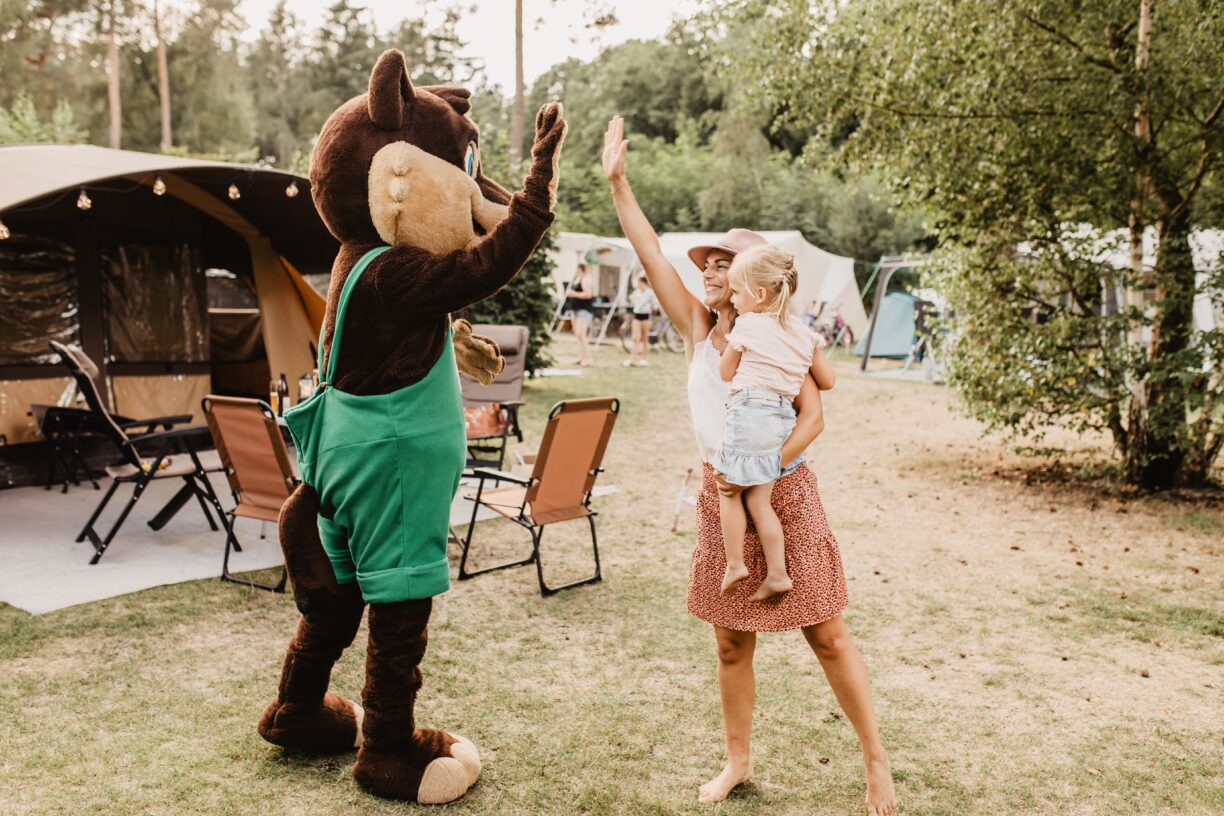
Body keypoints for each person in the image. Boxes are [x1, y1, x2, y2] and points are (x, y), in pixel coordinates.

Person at [602, 115, 897, 815]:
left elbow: (815, 417)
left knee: (827, 634)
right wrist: (618, 184)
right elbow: (649, 252)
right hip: (722, 496)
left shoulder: (784, 338)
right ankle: (738, 761)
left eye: (721, 264)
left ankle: (876, 761)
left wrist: (760, 465)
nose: (708, 271)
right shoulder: (698, 331)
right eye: (704, 264)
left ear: (753, 281)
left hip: (783, 493)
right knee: (731, 644)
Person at [716, 244, 833, 602]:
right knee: (759, 500)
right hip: (781, 420)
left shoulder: (748, 325)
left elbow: (725, 372)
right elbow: (828, 381)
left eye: (736, 292)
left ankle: (735, 563)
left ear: (759, 295)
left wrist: (732, 349)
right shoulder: (803, 333)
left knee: (728, 489)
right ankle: (777, 574)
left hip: (750, 413)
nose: (732, 298)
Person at [564, 263, 595, 366]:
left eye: (577, 269)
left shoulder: (586, 280)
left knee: (582, 335)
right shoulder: (577, 279)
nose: (575, 270)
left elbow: (588, 294)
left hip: (583, 310)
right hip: (575, 310)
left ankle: (587, 359)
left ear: (581, 269)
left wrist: (573, 294)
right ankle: (581, 357)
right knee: (578, 335)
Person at [625, 275, 656, 367]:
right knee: (635, 338)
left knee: (645, 338)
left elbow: (655, 307)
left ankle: (643, 359)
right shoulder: (636, 293)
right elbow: (631, 302)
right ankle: (633, 360)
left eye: (638, 282)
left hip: (646, 317)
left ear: (642, 282)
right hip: (637, 316)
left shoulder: (650, 293)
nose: (636, 284)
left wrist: (652, 315)